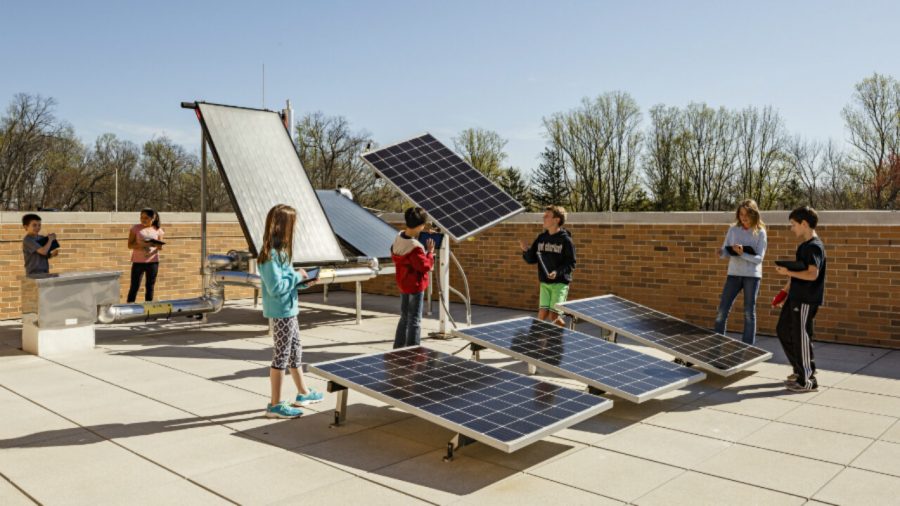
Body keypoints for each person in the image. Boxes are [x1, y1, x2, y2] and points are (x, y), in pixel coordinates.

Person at [258, 204, 324, 418]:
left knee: (295, 352)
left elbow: (286, 283)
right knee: (282, 355)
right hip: (281, 312)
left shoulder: (282, 253)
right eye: (292, 224)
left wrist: (304, 282)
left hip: (289, 309)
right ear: (282, 226)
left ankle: (303, 393)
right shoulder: (270, 256)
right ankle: (275, 404)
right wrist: (297, 275)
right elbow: (275, 288)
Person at [774, 206, 827, 393]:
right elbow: (798, 273)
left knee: (801, 336)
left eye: (793, 225)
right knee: (782, 330)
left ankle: (807, 380)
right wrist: (784, 292)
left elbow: (812, 275)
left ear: (804, 224)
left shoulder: (814, 247)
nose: (792, 229)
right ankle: (800, 370)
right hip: (795, 297)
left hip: (806, 299)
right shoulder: (803, 246)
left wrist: (787, 271)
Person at [714, 199, 768, 345]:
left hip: (752, 276)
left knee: (749, 313)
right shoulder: (733, 229)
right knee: (722, 310)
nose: (743, 217)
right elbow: (726, 250)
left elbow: (759, 259)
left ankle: (747, 348)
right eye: (741, 214)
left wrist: (742, 253)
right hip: (733, 274)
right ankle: (716, 344)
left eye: (747, 214)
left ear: (754, 214)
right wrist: (722, 252)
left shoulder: (761, 232)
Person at [519, 205, 576, 326]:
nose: (543, 218)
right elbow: (532, 259)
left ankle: (565, 336)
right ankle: (538, 342)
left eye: (547, 216)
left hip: (560, 284)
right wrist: (525, 250)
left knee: (553, 315)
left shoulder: (566, 240)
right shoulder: (541, 238)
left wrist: (557, 272)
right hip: (544, 283)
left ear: (557, 220)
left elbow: (571, 263)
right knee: (542, 314)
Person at [391, 207, 435, 349]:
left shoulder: (399, 237)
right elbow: (424, 266)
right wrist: (429, 253)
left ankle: (398, 347)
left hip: (403, 284)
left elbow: (406, 246)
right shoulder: (415, 247)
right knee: (415, 320)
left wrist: (420, 236)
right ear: (420, 225)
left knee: (404, 317)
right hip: (415, 286)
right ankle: (413, 351)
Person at [126, 208, 165, 303]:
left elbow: (160, 248)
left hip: (153, 262)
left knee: (150, 286)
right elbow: (129, 245)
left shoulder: (158, 230)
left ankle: (149, 308)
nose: (143, 219)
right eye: (141, 217)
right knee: (134, 286)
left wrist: (157, 245)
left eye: (146, 218)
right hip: (138, 262)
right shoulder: (135, 229)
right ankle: (129, 307)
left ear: (153, 218)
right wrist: (142, 245)